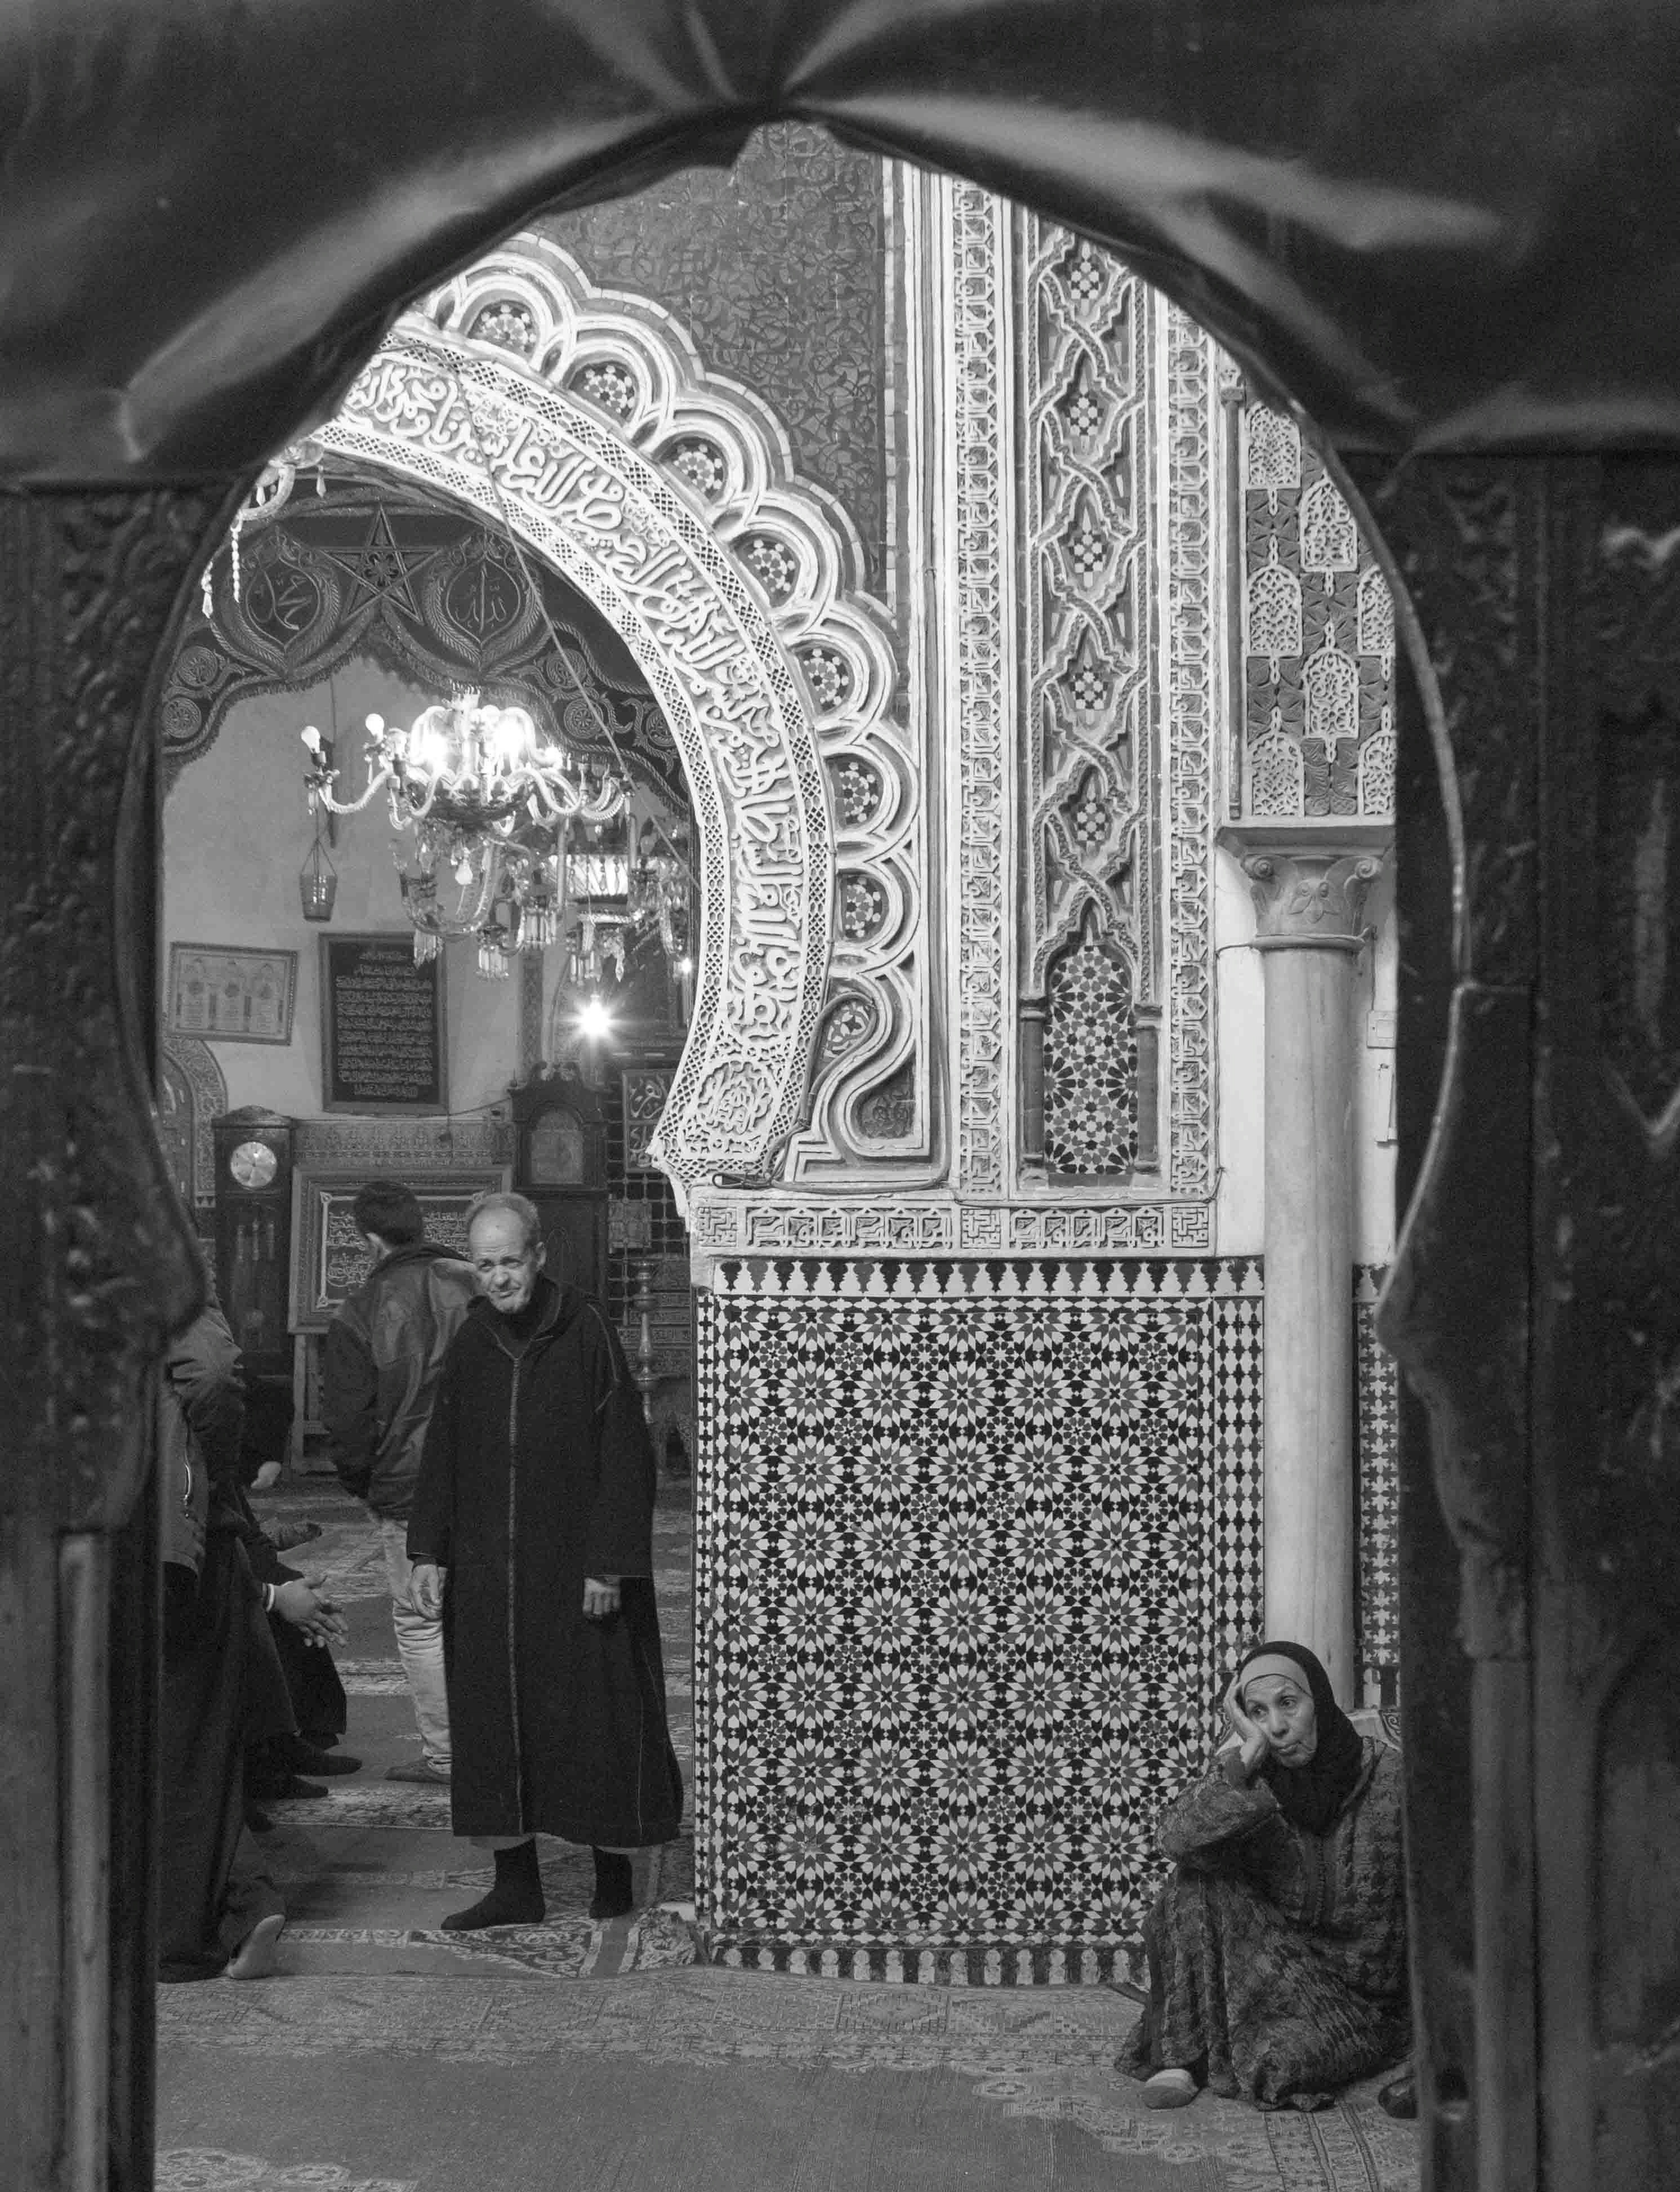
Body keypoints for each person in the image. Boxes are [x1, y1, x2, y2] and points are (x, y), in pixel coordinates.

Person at [407, 1190, 683, 1930]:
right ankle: (515, 1885)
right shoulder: (470, 1341)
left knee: (594, 1716)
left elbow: (626, 1457)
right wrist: (428, 1547)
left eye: (510, 1263)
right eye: (484, 1265)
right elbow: (443, 1450)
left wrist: (608, 1561)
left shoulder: (584, 1328)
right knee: (496, 1723)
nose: (498, 1279)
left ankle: (611, 1876)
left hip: (574, 1571)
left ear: (538, 1257)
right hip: (490, 1573)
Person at [1120, 1640, 1410, 2113]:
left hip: (1362, 2004)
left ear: (1319, 1701)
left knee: (1288, 2062)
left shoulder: (1390, 1777)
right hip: (1277, 1977)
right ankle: (1180, 2058)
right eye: (1257, 1712)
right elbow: (1175, 1840)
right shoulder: (1255, 1780)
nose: (1276, 1727)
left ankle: (1217, 2047)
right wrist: (1242, 1760)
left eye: (1288, 1704)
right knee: (1195, 1878)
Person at [157, 1298, 347, 1981]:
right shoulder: (157, 1266)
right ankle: (212, 1921)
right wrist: (206, 1470)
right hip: (167, 1539)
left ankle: (229, 1908)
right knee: (191, 1742)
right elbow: (210, 1376)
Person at [322, 1178, 477, 1785]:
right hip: (486, 1480)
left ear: (367, 1240)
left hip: (407, 1490)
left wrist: (362, 1484)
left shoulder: (360, 1310)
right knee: (485, 1612)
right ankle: (501, 1745)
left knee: (422, 1619)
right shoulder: (475, 1283)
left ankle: (447, 1755)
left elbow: (349, 1421)